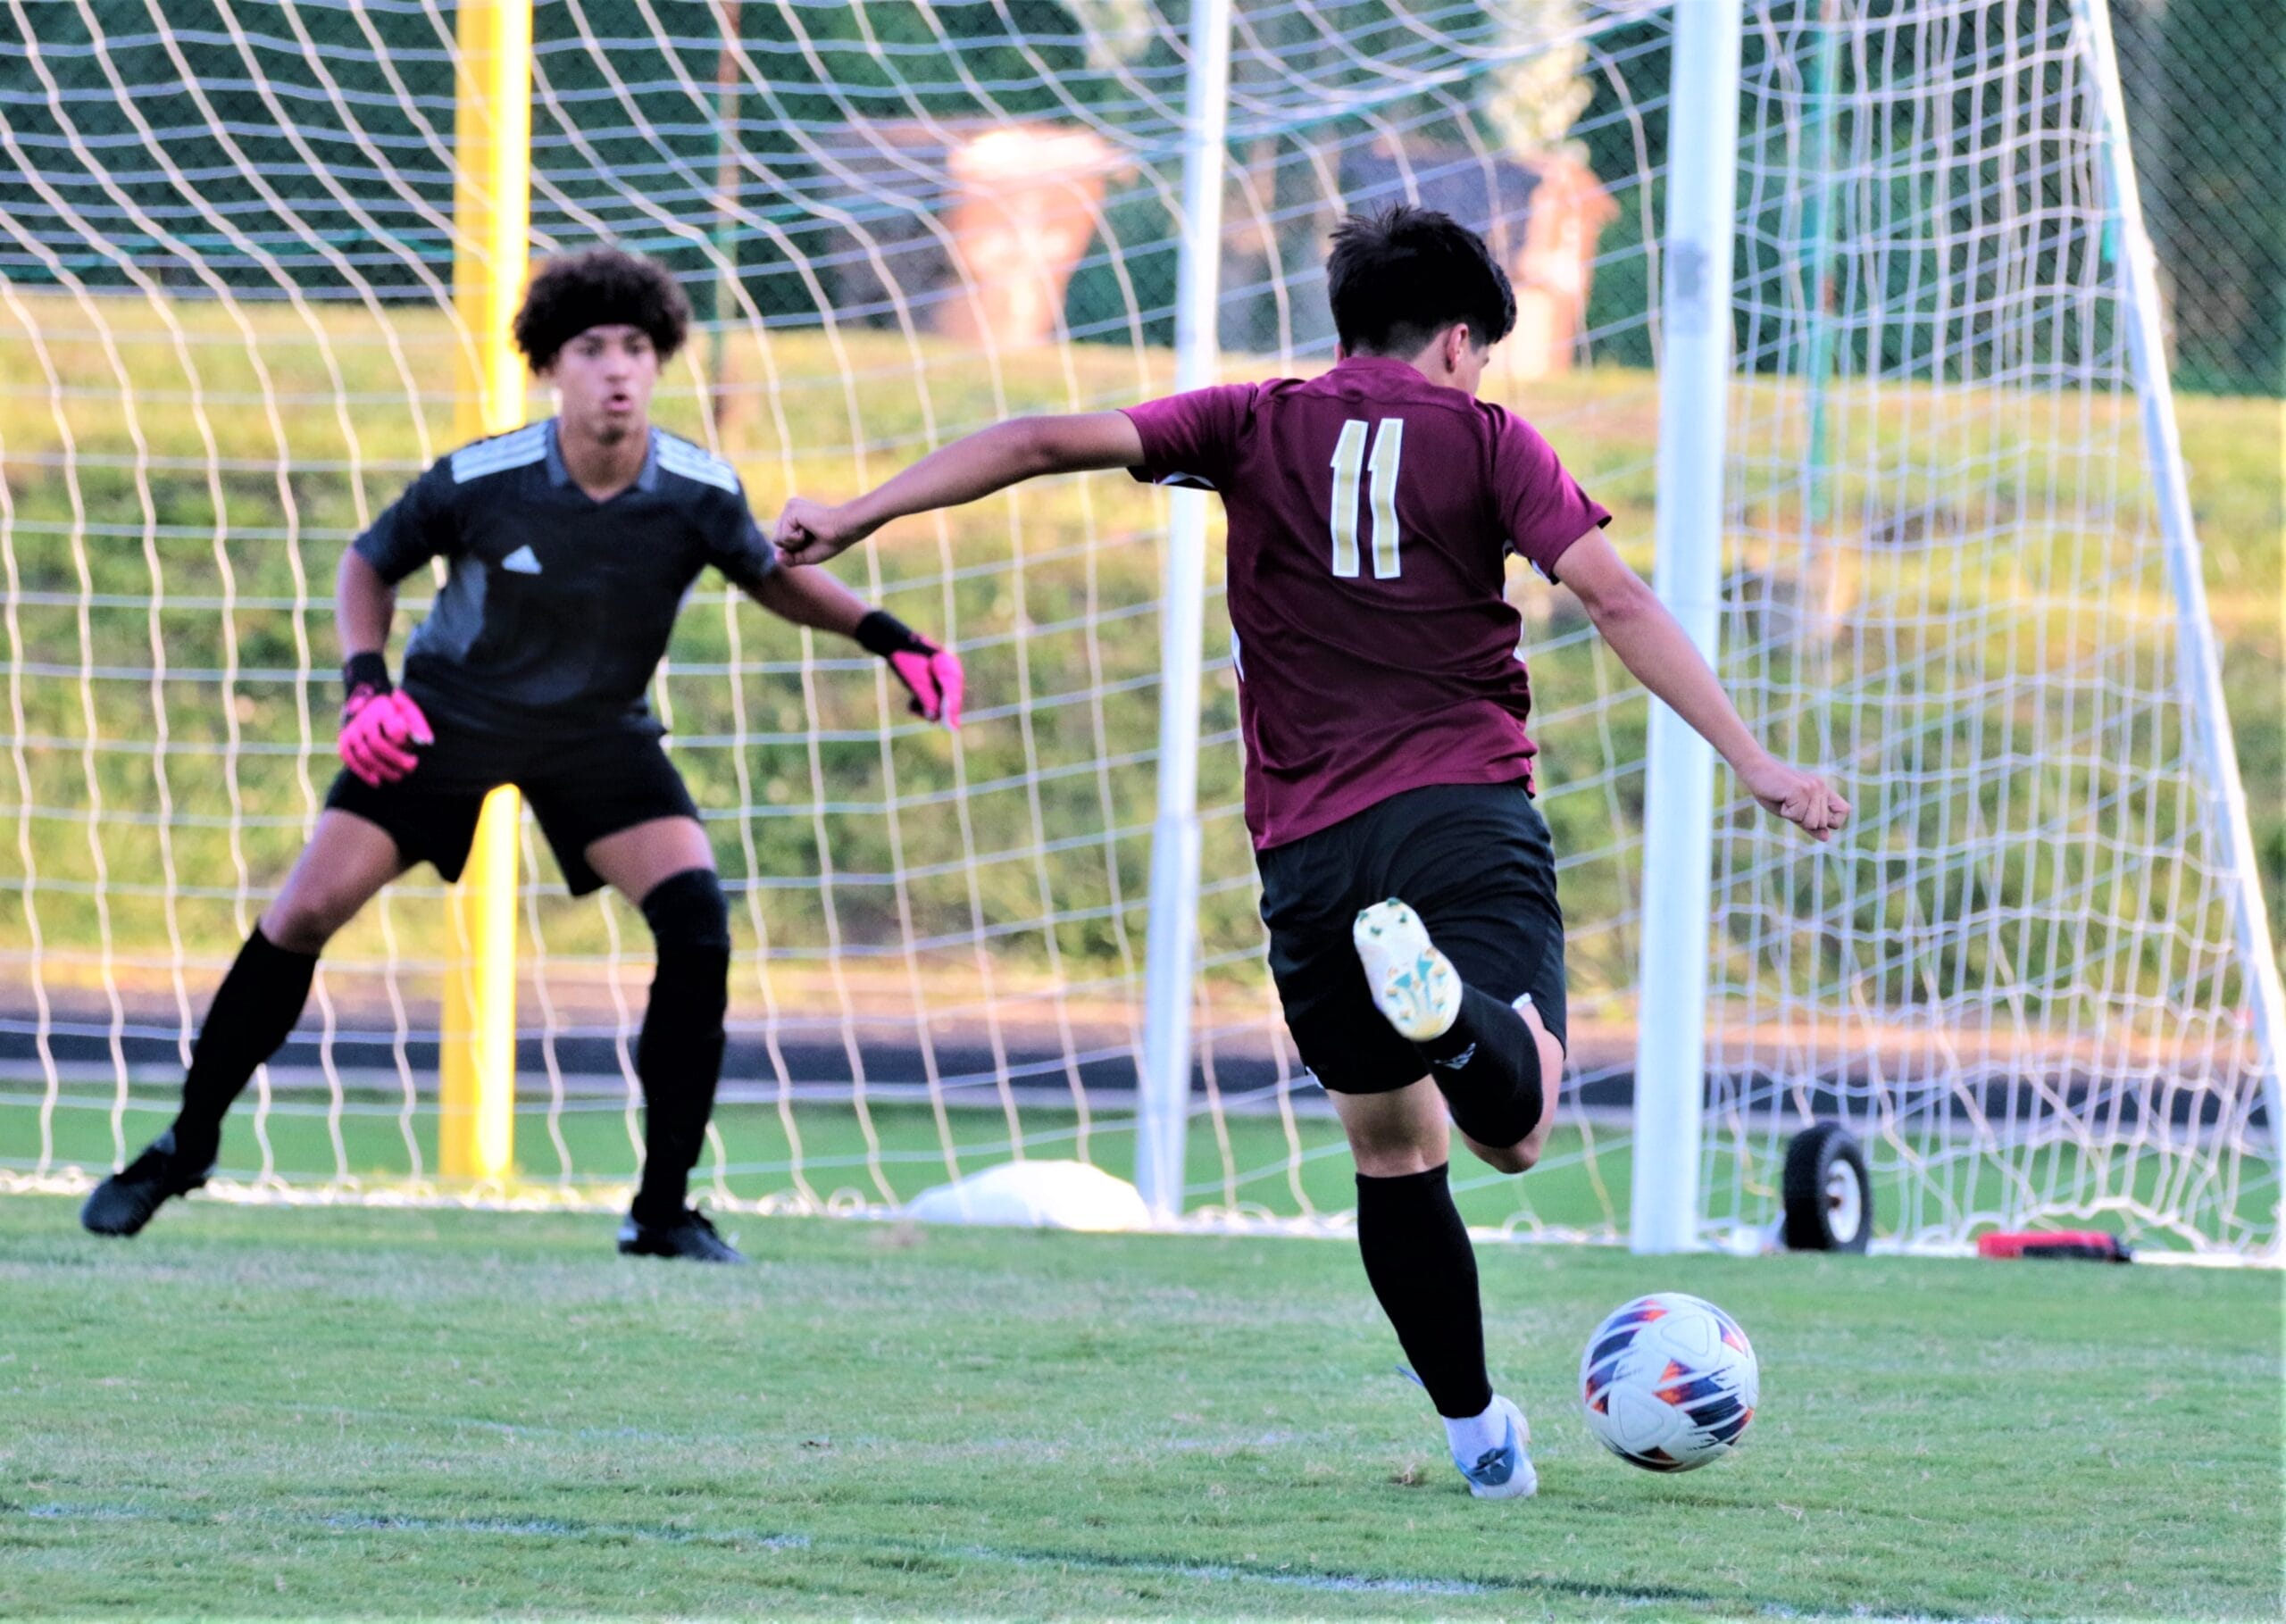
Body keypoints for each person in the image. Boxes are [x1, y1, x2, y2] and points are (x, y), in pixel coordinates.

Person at [772, 205, 1848, 1492]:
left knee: (1393, 1151)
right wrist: (1755, 759)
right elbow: (1614, 595)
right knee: (1516, 1124)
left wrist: (860, 512)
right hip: (1460, 810)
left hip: (1311, 852)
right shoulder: (1491, 438)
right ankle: (1455, 1019)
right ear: (1460, 340)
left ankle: (1477, 1435)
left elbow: (1040, 436)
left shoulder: (1251, 419)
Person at [81, 246, 964, 1262]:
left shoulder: (695, 488)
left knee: (695, 919)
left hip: (597, 733)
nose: (618, 368)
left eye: (636, 346)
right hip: (445, 721)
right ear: (551, 364)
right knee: (304, 912)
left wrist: (888, 635)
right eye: (592, 348)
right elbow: (367, 563)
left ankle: (663, 1209)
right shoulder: (484, 478)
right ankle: (184, 1147)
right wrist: (364, 685)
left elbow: (768, 574)